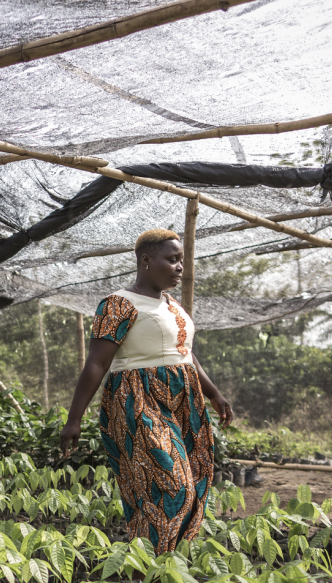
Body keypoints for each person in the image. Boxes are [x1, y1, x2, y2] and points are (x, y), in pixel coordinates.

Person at [59, 229, 233, 553]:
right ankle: (148, 571)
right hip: (139, 400)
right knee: (170, 486)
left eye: (181, 260)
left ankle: (163, 569)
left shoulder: (173, 307)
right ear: (146, 260)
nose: (180, 267)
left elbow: (185, 354)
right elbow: (97, 362)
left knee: (192, 483)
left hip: (183, 402)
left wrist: (214, 394)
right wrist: (74, 419)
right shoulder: (119, 304)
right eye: (172, 259)